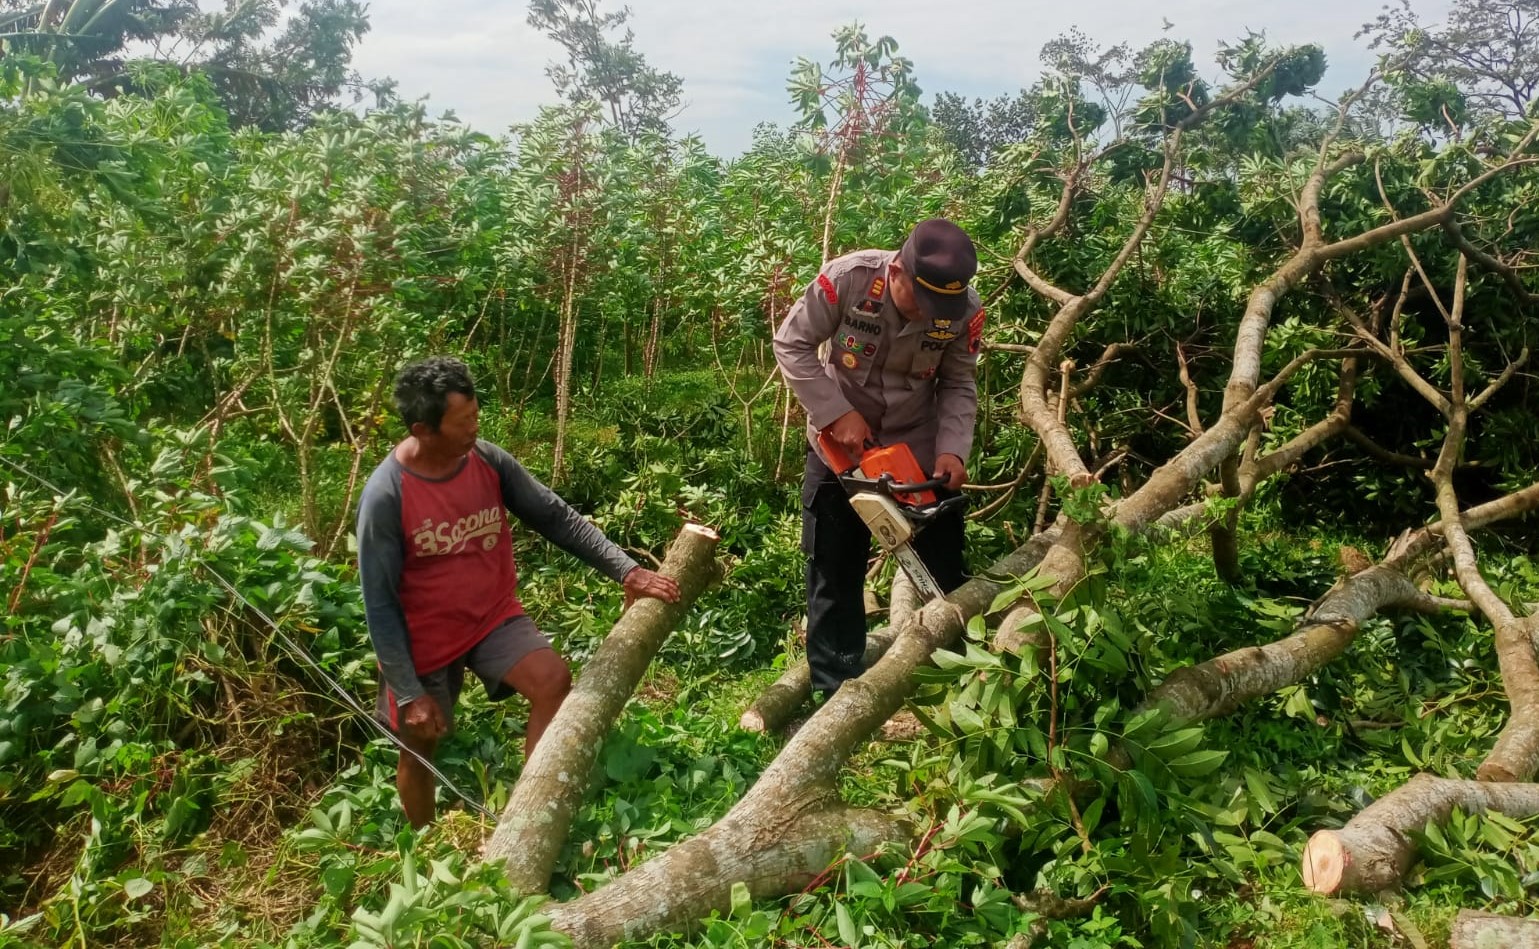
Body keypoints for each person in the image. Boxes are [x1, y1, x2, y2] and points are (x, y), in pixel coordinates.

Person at [356, 356, 680, 827]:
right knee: (419, 743)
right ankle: (422, 842)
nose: (474, 428)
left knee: (552, 680)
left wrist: (626, 571)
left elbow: (555, 516)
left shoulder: (487, 460)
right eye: (462, 422)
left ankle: (527, 820)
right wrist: (408, 692)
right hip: (422, 638)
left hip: (491, 616)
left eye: (475, 415)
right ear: (423, 430)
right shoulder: (386, 497)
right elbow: (380, 604)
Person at [772, 218, 983, 698]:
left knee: (943, 564)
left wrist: (952, 449)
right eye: (921, 301)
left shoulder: (965, 310)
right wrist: (835, 412)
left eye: (939, 309)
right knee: (834, 566)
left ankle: (957, 677)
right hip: (840, 447)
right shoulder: (847, 280)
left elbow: (958, 381)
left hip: (917, 449)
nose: (928, 315)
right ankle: (835, 690)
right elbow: (792, 344)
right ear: (898, 272)